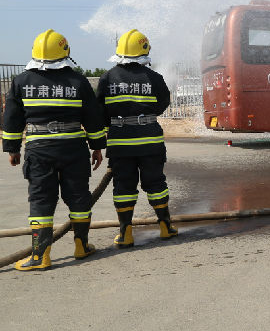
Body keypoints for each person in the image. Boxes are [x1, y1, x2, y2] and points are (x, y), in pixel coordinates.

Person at [1, 30, 107, 270]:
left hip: (39, 150)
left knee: (41, 199)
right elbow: (93, 118)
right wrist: (97, 147)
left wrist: (12, 149)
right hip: (73, 149)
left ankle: (41, 256)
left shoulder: (21, 81)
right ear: (65, 51)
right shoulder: (78, 81)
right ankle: (81, 246)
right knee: (78, 196)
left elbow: (12, 119)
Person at [97, 29, 177, 248]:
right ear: (144, 50)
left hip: (120, 143)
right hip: (150, 142)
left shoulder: (107, 78)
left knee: (123, 187)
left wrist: (113, 125)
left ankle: (126, 234)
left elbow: (100, 110)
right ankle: (165, 227)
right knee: (156, 183)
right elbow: (162, 104)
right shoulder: (154, 78)